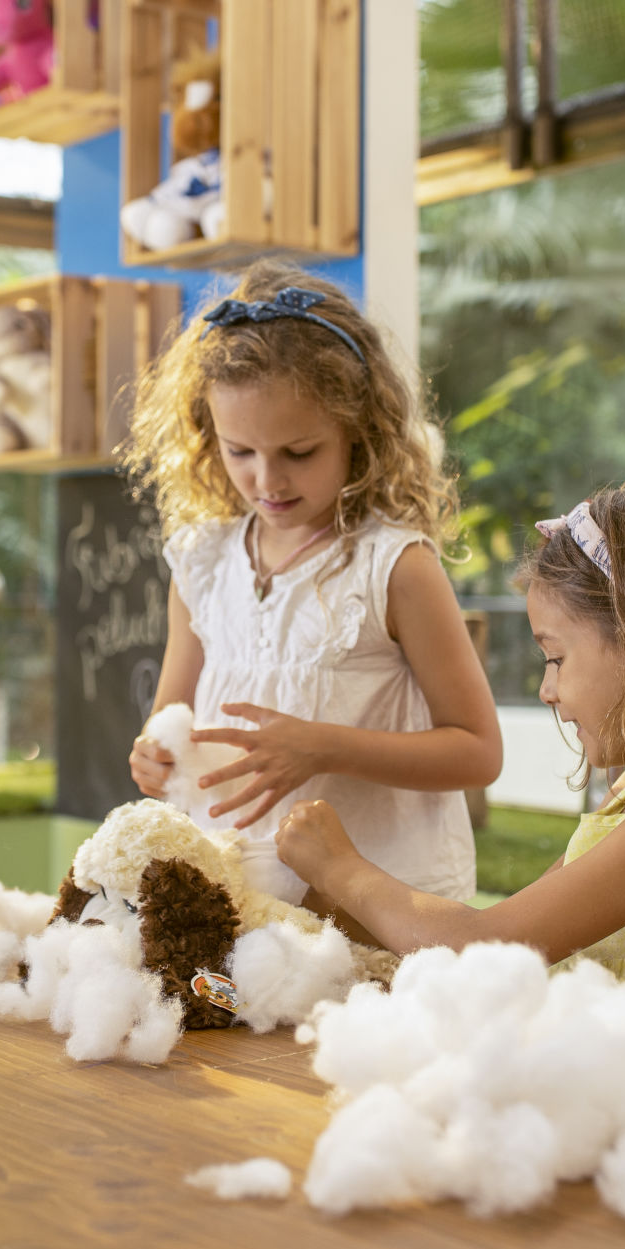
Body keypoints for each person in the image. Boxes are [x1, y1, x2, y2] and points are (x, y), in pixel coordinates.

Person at [276, 477, 625, 1072]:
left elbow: (485, 949)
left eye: (556, 658)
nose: (547, 690)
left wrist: (341, 867)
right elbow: (518, 940)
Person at [120, 263, 500, 907]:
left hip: (380, 906)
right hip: (239, 897)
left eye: (299, 453)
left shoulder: (396, 568)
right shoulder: (199, 566)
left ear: (359, 434)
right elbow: (171, 715)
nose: (268, 480)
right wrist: (152, 757)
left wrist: (322, 747)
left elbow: (476, 752)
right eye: (240, 451)